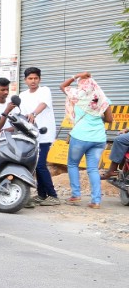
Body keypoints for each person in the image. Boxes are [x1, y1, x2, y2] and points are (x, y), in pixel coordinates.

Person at [60, 71, 111, 209]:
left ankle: (76, 195)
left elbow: (62, 86)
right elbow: (110, 120)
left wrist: (76, 76)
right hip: (99, 138)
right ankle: (96, 201)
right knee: (93, 169)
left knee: (72, 165)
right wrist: (97, 116)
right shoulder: (103, 98)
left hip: (81, 137)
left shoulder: (77, 96)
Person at [19, 67, 61, 206]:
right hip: (30, 135)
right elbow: (23, 114)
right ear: (25, 80)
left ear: (40, 79)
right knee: (36, 166)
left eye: (36, 78)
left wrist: (33, 113)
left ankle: (53, 196)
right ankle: (42, 195)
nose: (33, 81)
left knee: (41, 165)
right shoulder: (22, 95)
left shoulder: (44, 90)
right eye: (30, 78)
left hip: (44, 134)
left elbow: (42, 104)